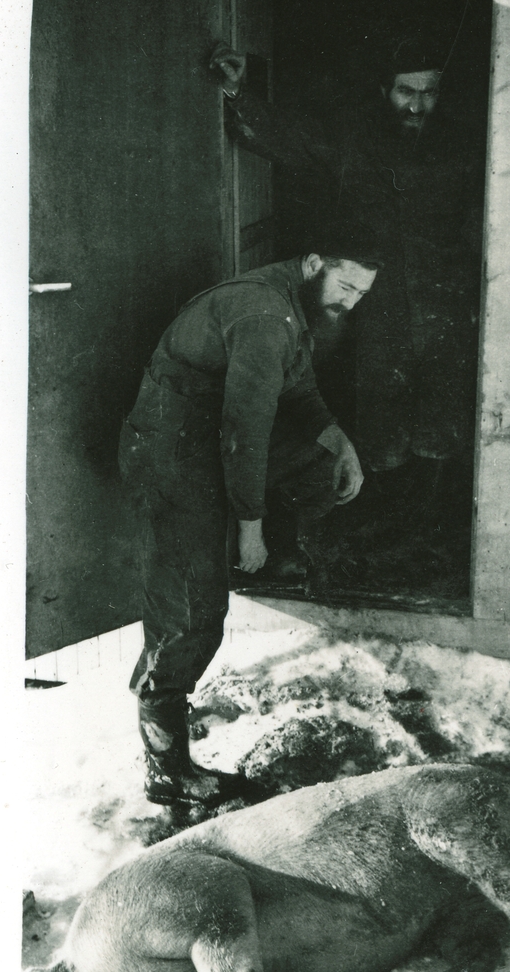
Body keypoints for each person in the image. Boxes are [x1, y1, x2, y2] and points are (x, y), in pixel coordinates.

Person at [119, 228, 381, 808]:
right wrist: (251, 527)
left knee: (320, 468)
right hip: (172, 451)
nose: (350, 302)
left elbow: (300, 388)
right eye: (345, 284)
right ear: (314, 263)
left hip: (208, 439)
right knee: (192, 613)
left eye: (362, 293)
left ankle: (236, 561)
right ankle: (166, 768)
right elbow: (246, 430)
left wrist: (340, 443)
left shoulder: (293, 304)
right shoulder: (265, 313)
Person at [210, 35, 483, 484]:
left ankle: (430, 520)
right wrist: (238, 92)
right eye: (405, 92)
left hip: (444, 304)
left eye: (429, 92)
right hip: (377, 305)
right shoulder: (356, 143)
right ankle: (380, 509)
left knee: (443, 415)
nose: (417, 106)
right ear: (384, 92)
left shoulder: (465, 150)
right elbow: (288, 140)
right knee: (379, 406)